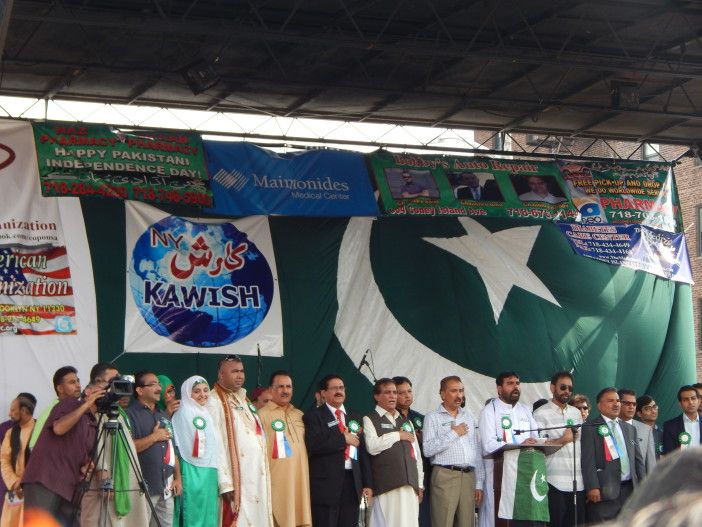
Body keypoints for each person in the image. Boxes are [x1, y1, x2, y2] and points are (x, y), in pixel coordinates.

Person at [22, 378, 104, 525]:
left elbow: (88, 458)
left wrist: (88, 466)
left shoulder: (94, 422)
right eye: (103, 389)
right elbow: (59, 428)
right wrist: (86, 404)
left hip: (69, 487)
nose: (105, 394)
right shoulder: (69, 403)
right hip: (45, 480)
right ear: (88, 391)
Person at [207, 355, 273, 527]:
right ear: (221, 375)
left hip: (255, 474)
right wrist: (225, 483)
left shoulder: (243, 398)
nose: (240, 375)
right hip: (237, 479)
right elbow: (216, 444)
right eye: (234, 371)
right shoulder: (214, 401)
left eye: (242, 371)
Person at [80, 369, 149, 527]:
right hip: (107, 482)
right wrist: (103, 473)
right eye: (112, 381)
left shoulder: (119, 413)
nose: (117, 385)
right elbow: (96, 445)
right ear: (97, 384)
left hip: (127, 480)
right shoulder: (94, 413)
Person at [303, 374, 372, 527]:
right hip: (326, 485)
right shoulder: (313, 416)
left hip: (352, 482)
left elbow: (362, 453)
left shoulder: (354, 416)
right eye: (334, 388)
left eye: (341, 388)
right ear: (323, 393)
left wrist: (367, 483)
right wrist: (343, 439)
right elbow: (314, 444)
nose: (339, 391)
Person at [477, 371, 541, 527]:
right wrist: (521, 443)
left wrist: (545, 441)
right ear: (499, 388)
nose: (515, 387)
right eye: (510, 383)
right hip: (498, 477)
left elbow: (536, 438)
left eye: (517, 383)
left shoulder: (525, 410)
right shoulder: (489, 411)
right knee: (498, 519)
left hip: (524, 476)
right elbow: (488, 445)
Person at [422, 376, 484, 527]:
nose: (459, 395)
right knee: (443, 522)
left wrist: (479, 483)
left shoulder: (468, 416)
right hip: (445, 475)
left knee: (466, 523)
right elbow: (428, 449)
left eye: (461, 391)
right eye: (454, 391)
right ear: (442, 394)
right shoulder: (432, 417)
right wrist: (454, 433)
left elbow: (476, 451)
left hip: (469, 476)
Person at [363, 378, 423, 527]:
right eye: (388, 392)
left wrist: (420, 484)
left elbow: (417, 456)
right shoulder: (369, 419)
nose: (393, 396)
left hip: (410, 487)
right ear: (376, 396)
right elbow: (372, 446)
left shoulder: (406, 422)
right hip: (387, 487)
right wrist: (397, 435)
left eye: (395, 393)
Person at [580, 387, 645, 523]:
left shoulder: (630, 428)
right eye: (610, 401)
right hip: (604, 492)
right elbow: (587, 461)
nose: (616, 404)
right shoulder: (590, 428)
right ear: (599, 405)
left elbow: (638, 461)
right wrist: (592, 486)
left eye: (617, 400)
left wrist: (643, 485)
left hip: (630, 492)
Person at [127, 370, 182, 527]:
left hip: (166, 487)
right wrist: (154, 437)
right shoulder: (129, 415)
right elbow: (128, 449)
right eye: (153, 384)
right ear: (139, 390)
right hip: (143, 488)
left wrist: (178, 478)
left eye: (159, 384)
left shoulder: (162, 415)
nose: (159, 388)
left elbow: (172, 450)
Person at [258, 371, 312, 527]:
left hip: (300, 481)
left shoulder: (299, 414)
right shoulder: (261, 415)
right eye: (280, 386)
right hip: (276, 482)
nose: (285, 390)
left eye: (288, 386)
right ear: (271, 390)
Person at [533, 371, 584, 527]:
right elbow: (538, 449)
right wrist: (563, 440)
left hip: (577, 482)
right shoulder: (540, 414)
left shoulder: (576, 413)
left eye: (570, 388)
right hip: (553, 482)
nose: (567, 391)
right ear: (552, 388)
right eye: (563, 387)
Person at [172, 376, 219, 527]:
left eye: (206, 390)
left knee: (208, 512)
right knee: (193, 512)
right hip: (191, 469)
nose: (203, 395)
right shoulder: (183, 412)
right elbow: (181, 445)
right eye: (197, 391)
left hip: (210, 471)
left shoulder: (207, 413)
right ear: (187, 393)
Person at [392, 376, 430, 526]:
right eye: (401, 393)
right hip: (400, 474)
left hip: (422, 474)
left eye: (409, 391)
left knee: (423, 516)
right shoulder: (389, 418)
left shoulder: (421, 418)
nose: (407, 395)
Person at [0, 393, 36, 527]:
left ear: (23, 410)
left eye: (13, 410)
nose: (9, 414)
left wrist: (26, 480)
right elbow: (4, 460)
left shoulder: (40, 430)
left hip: (34, 489)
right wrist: (14, 482)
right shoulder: (10, 433)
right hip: (14, 489)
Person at [29, 366, 82, 450]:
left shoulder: (75, 408)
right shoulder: (50, 412)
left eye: (78, 381)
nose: (78, 385)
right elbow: (33, 447)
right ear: (60, 388)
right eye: (72, 382)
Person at [618, 389, 656, 476]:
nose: (631, 407)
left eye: (634, 404)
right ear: (618, 404)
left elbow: (651, 463)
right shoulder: (608, 427)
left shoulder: (646, 429)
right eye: (627, 403)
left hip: (638, 484)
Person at [662, 385, 701, 454]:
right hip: (680, 464)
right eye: (686, 400)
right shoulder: (669, 426)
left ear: (698, 401)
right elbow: (669, 454)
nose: (690, 402)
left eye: (693, 398)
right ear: (680, 404)